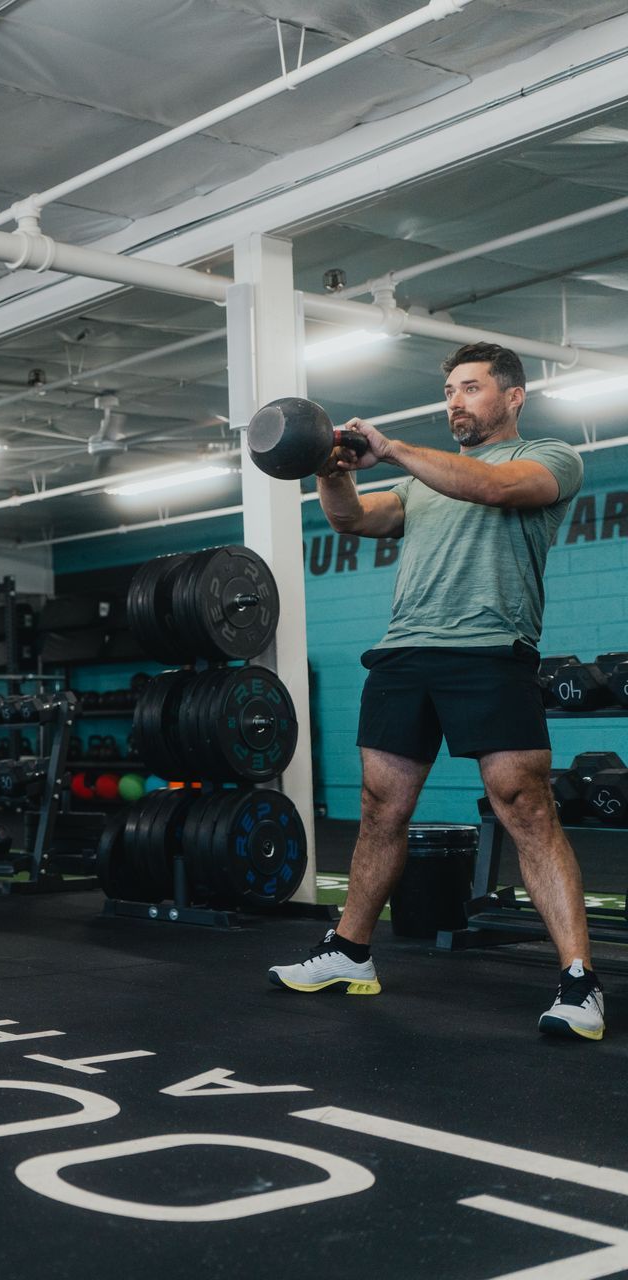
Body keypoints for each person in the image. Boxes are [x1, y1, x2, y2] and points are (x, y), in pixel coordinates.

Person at [268, 342, 601, 1041]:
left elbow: (494, 489)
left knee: (526, 808)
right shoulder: (421, 486)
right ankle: (350, 952)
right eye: (449, 390)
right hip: (405, 654)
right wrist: (333, 473)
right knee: (379, 809)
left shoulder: (548, 458)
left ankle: (578, 983)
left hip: (490, 653)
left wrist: (389, 448)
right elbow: (352, 520)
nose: (455, 401)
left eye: (471, 388)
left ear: (512, 396)